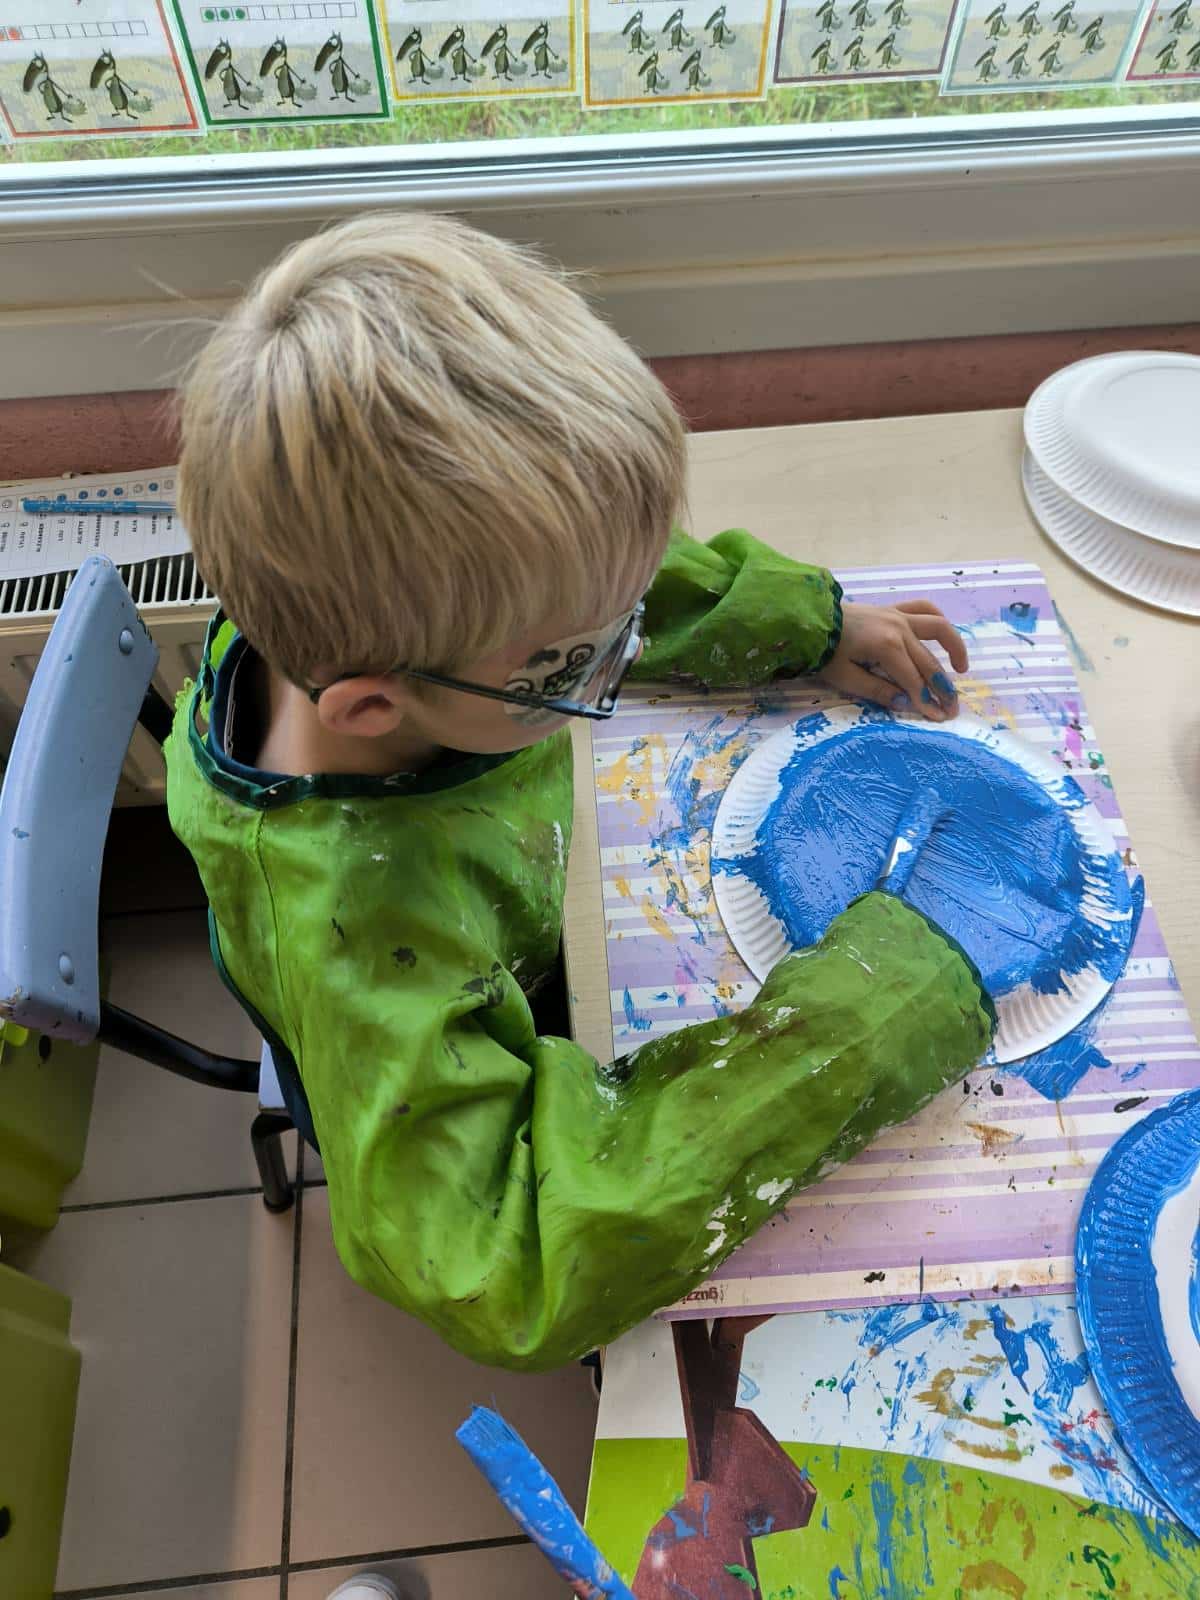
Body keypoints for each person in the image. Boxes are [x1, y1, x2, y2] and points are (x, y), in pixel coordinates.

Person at [166, 214, 995, 1373]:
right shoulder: (363, 942)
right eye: (580, 666)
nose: (621, 653)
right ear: (373, 707)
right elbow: (514, 1272)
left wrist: (801, 621)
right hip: (428, 1073)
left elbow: (571, 579)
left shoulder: (364, 601)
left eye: (624, 624)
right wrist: (869, 1024)